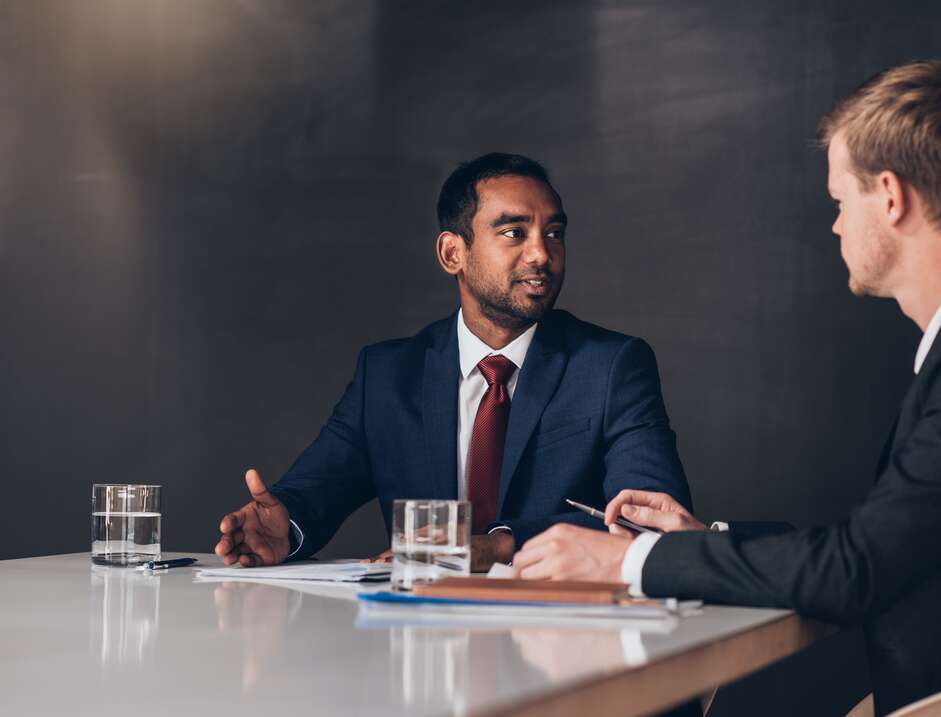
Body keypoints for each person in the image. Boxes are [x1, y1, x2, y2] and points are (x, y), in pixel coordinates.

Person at [512, 61, 941, 715]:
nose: (835, 226)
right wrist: (698, 541)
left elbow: (855, 568)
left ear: (890, 197)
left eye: (840, 202)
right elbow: (883, 541)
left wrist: (629, 559)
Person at [214, 153, 692, 571]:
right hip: (424, 647)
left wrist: (498, 545)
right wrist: (286, 527)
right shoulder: (387, 376)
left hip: (561, 636)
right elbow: (319, 487)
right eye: (514, 232)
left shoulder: (612, 367)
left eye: (554, 233)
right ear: (452, 253)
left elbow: (652, 517)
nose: (542, 253)